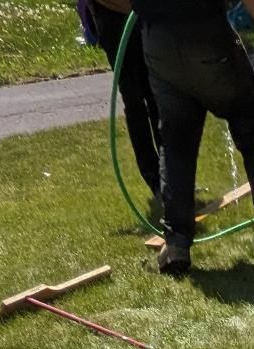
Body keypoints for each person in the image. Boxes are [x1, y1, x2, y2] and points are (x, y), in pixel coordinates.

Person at [134, 0, 254, 276]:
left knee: (175, 144)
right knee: (252, 129)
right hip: (205, 37)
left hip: (156, 42)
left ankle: (176, 243)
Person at [89, 0, 162, 219]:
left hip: (143, 22)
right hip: (114, 26)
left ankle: (173, 179)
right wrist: (135, 8)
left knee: (159, 96)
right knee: (135, 101)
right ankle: (155, 180)